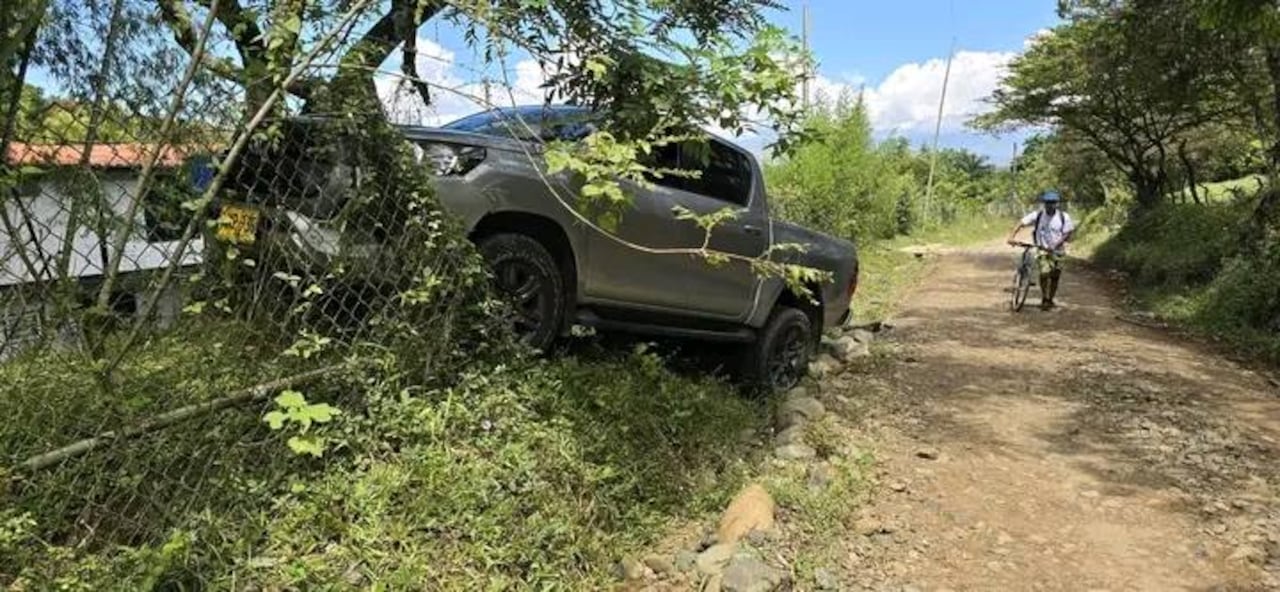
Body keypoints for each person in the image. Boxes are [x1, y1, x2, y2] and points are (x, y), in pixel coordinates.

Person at [1007, 190, 1075, 310]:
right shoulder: (1038, 215)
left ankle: (1050, 299)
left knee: (1055, 276)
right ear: (1044, 203)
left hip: (1057, 250)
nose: (1050, 205)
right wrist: (1012, 236)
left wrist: (1055, 245)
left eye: (1053, 202)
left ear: (1057, 203)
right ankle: (1044, 298)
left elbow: (1067, 233)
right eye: (1048, 202)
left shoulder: (1063, 217)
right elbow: (1021, 223)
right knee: (1044, 273)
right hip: (1042, 249)